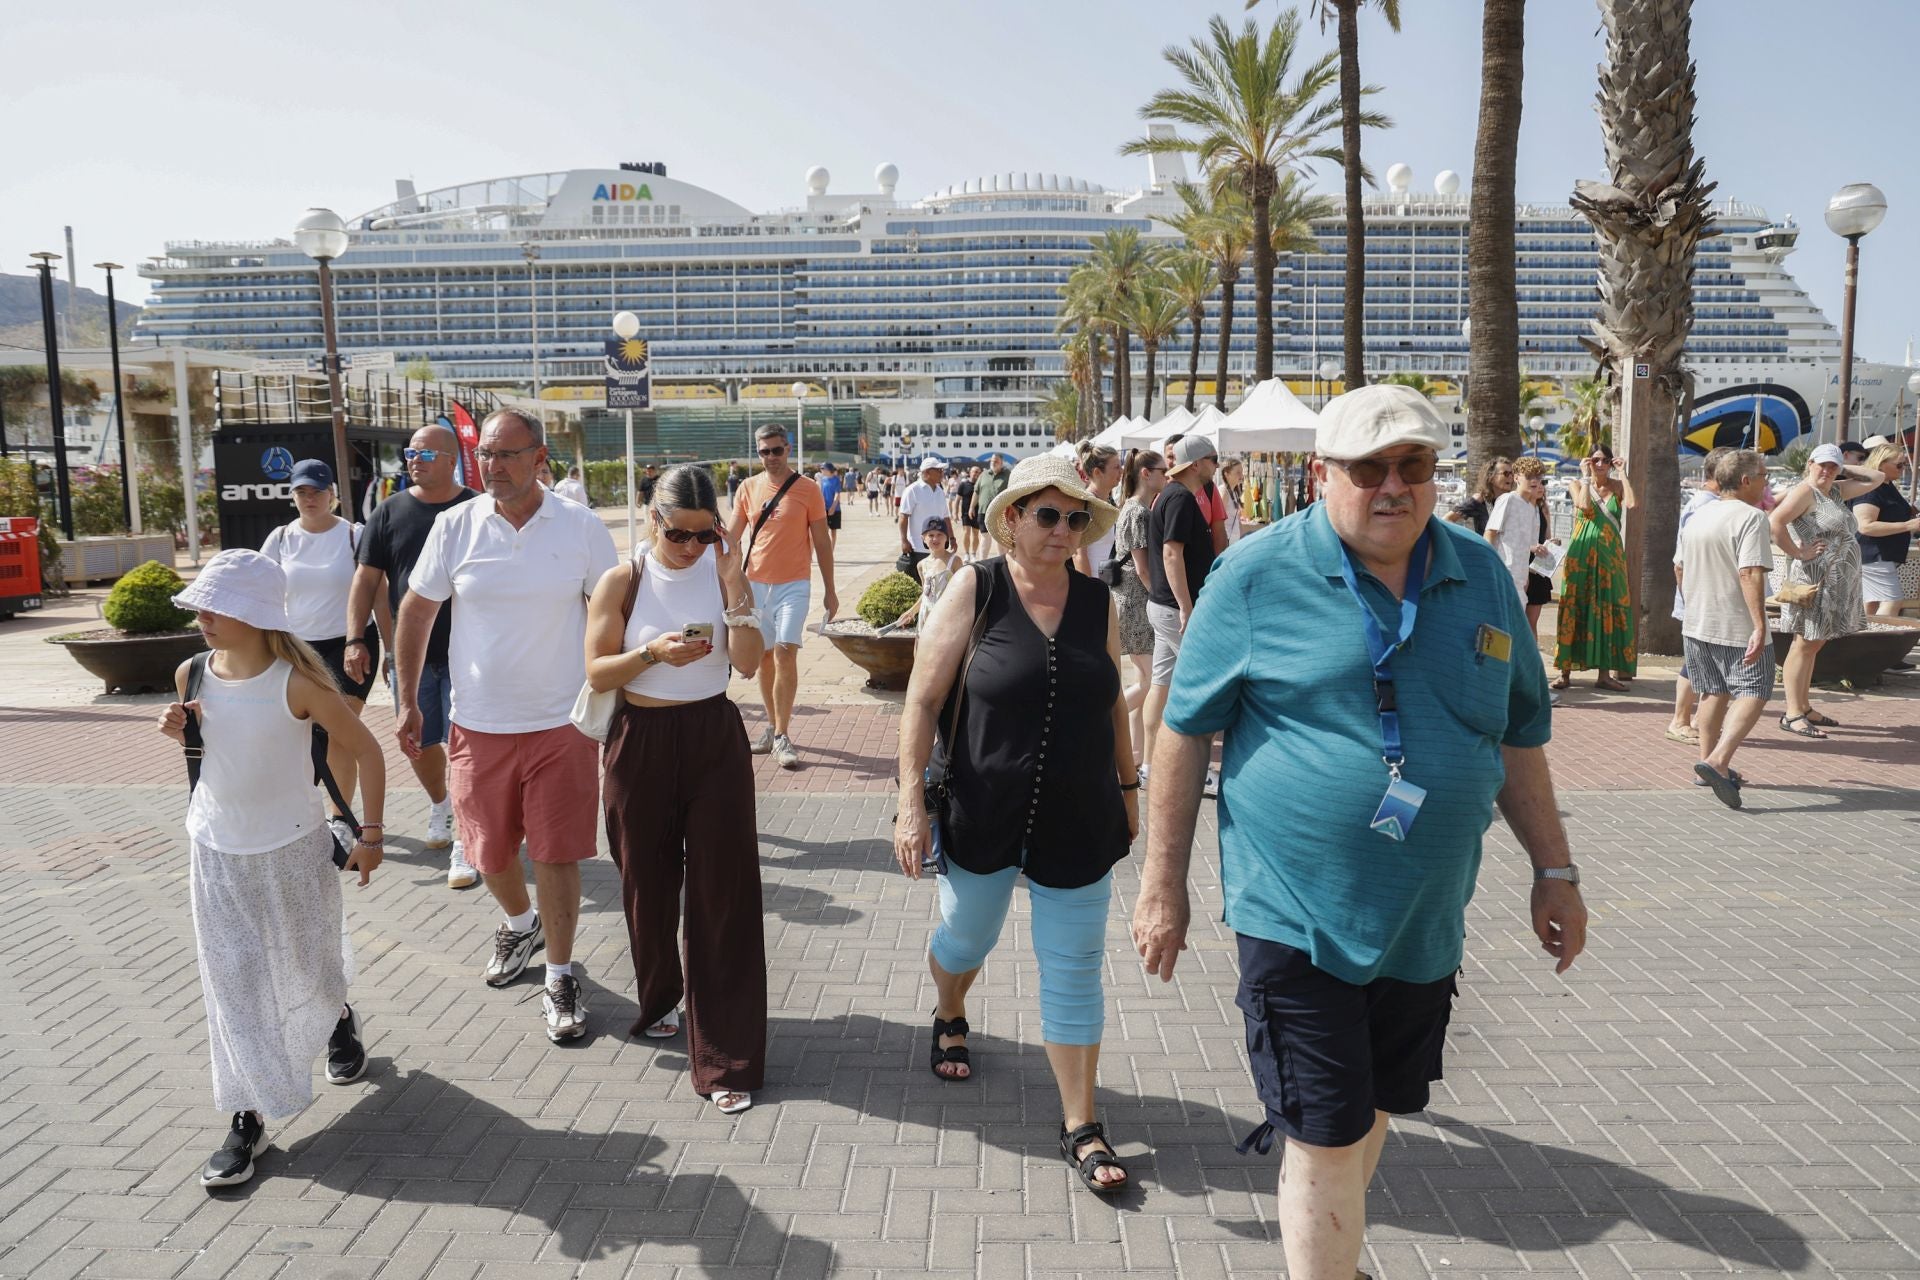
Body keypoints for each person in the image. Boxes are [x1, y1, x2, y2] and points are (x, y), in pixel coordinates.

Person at [1132, 383, 1585, 1280]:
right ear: (1320, 476)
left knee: (1369, 1109)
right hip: (1294, 911)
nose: (1391, 487)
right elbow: (1183, 730)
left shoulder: (1481, 572)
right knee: (1327, 1134)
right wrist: (1162, 885)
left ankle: (1330, 1245)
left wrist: (1555, 868)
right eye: (1366, 469)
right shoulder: (1256, 574)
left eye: (1411, 466)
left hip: (1423, 919)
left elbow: (1520, 733)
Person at [893, 454, 1137, 1195]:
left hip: (1079, 814)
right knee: (966, 937)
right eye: (1047, 516)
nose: (1063, 530)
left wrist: (1130, 791)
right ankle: (950, 1006)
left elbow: (1115, 707)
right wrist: (910, 800)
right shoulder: (977, 586)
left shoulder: (1099, 603)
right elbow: (922, 701)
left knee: (1072, 970)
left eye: (1074, 518)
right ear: (1011, 519)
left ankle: (1081, 1124)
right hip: (982, 808)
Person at [156, 549, 386, 1189]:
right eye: (200, 603)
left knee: (311, 967)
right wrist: (184, 734)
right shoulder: (190, 674)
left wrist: (370, 833)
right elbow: (211, 755)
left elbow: (367, 752)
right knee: (233, 982)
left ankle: (337, 1015)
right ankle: (244, 1116)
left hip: (292, 849)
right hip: (215, 850)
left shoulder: (299, 683)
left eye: (216, 606)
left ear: (255, 616)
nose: (201, 616)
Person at [395, 409, 618, 1041]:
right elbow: (417, 610)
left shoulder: (579, 528)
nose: (492, 467)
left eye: (507, 455)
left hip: (562, 723)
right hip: (477, 724)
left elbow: (611, 615)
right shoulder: (455, 527)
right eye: (485, 456)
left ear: (540, 458)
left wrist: (620, 696)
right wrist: (408, 698)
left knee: (555, 852)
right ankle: (522, 923)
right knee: (488, 854)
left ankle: (560, 972)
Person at [586, 465, 768, 1113]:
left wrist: (733, 580)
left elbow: (747, 664)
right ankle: (661, 997)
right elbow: (597, 670)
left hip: (714, 737)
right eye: (677, 535)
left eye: (702, 534)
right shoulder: (624, 578)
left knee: (724, 893)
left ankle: (725, 1054)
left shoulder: (721, 575)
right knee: (647, 883)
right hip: (639, 739)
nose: (689, 547)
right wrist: (652, 655)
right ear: (651, 519)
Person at [346, 425, 477, 887]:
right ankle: (441, 803)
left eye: (423, 453)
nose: (413, 460)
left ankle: (466, 836)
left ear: (450, 459)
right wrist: (354, 638)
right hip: (412, 655)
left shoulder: (476, 509)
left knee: (467, 747)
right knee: (417, 741)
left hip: (471, 653)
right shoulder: (390, 511)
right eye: (409, 453)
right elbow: (366, 580)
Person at [256, 459, 377, 843]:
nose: (310, 498)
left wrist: (387, 651)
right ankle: (303, 814)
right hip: (298, 649)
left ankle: (341, 819)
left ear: (333, 496)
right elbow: (259, 592)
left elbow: (379, 594)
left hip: (351, 644)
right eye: (302, 491)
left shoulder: (354, 536)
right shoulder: (279, 539)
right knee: (304, 733)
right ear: (292, 495)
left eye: (318, 491)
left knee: (341, 732)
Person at [725, 423, 838, 771]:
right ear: (757, 453)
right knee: (765, 659)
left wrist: (831, 591)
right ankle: (773, 726)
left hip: (794, 584)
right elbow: (731, 539)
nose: (771, 457)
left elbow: (821, 541)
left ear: (788, 449)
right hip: (756, 585)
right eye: (764, 451)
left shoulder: (808, 489)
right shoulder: (747, 487)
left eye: (776, 450)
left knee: (787, 651)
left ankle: (783, 735)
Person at [1674, 449, 1775, 808]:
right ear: (1746, 480)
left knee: (1713, 691)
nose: (1768, 482)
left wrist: (1694, 601)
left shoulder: (1699, 515)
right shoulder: (1752, 517)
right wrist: (1760, 624)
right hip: (1734, 622)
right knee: (1756, 688)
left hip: (1697, 620)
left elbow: (1679, 567)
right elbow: (1750, 572)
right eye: (1763, 475)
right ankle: (1718, 760)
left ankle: (1707, 762)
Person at [1771, 443, 1878, 738]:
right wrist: (1798, 551)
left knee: (1815, 644)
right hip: (1814, 579)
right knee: (1804, 644)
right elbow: (1775, 522)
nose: (1827, 470)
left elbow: (1877, 477)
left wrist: (1841, 469)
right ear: (1810, 463)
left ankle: (1803, 706)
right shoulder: (1805, 491)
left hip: (1835, 582)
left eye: (1833, 466)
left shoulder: (1834, 490)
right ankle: (1792, 712)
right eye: (1822, 464)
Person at [1144, 435, 1220, 795]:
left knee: (1161, 685)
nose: (1216, 465)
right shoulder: (1180, 498)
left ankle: (1148, 764)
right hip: (1175, 609)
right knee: (1201, 685)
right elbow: (1172, 554)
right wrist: (1188, 609)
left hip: (1165, 606)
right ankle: (1195, 770)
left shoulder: (1172, 495)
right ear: (1196, 464)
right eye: (1213, 459)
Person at [1554, 445, 1636, 691]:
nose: (1600, 464)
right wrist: (1586, 477)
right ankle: (1565, 672)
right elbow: (1584, 507)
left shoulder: (1619, 487)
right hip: (1581, 556)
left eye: (1605, 460)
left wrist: (1622, 473)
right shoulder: (1577, 484)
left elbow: (1632, 504)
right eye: (1596, 459)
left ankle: (1604, 674)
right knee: (1576, 605)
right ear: (1589, 461)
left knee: (1607, 609)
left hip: (1610, 558)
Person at [1666, 448, 1732, 745]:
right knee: (1694, 662)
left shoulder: (1713, 504)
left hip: (1705, 597)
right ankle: (1680, 720)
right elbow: (1682, 561)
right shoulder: (1703, 506)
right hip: (1698, 598)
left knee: (1702, 662)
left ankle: (1695, 719)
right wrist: (1690, 598)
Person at [1112, 449, 1165, 769]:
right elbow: (1143, 568)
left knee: (1144, 680)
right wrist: (1159, 599)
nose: (1166, 475)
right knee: (1147, 680)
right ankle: (1103, 724)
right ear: (1145, 473)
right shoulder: (1139, 512)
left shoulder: (1132, 508)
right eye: (1161, 470)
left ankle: (1135, 757)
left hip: (1128, 599)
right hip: (1137, 602)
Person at [1484, 456, 1554, 636]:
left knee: (1513, 633)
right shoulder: (1508, 499)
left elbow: (1527, 545)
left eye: (1538, 477)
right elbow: (1490, 533)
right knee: (1500, 630)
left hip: (1520, 580)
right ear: (1516, 477)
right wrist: (1488, 568)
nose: (1534, 481)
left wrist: (1526, 578)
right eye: (1529, 476)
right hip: (1503, 574)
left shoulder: (1532, 508)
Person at [1849, 441, 1918, 618]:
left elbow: (1892, 511)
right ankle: (1880, 641)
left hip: (1877, 555)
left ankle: (1864, 641)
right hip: (1873, 555)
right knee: (1892, 600)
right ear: (1881, 463)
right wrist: (1909, 525)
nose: (1903, 468)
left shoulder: (1886, 485)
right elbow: (1865, 525)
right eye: (1899, 464)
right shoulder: (1871, 489)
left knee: (1871, 603)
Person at [889, 517, 961, 630]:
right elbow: (926, 594)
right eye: (931, 535)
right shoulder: (922, 565)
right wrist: (911, 612)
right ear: (923, 538)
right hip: (926, 617)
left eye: (940, 534)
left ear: (946, 538)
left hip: (946, 616)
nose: (935, 539)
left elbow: (962, 592)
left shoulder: (955, 561)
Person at [1073, 444, 1123, 578]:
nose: (1121, 471)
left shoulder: (1108, 501)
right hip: (1092, 585)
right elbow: (1078, 554)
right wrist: (1090, 591)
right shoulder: (1085, 505)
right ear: (1097, 472)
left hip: (1105, 583)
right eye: (1116, 467)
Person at [898, 456, 951, 574]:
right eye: (938, 470)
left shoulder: (940, 491)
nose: (941, 473)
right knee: (919, 583)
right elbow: (903, 516)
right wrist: (904, 540)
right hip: (917, 547)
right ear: (927, 472)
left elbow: (946, 517)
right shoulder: (912, 490)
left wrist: (951, 538)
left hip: (938, 547)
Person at [1446, 456, 1514, 534]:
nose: (1511, 477)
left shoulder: (1512, 500)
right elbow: (1447, 519)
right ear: (1491, 477)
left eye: (1512, 473)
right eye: (1506, 473)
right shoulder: (1480, 500)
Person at [971, 454, 1008, 535]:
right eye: (992, 461)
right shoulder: (983, 474)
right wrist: (971, 507)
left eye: (996, 461)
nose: (993, 463)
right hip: (983, 512)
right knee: (984, 538)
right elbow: (976, 492)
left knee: (1001, 540)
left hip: (1000, 512)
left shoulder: (1008, 474)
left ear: (1001, 463)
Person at [1218, 456, 1247, 545]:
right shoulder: (1224, 492)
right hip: (1226, 542)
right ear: (1227, 474)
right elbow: (1218, 521)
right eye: (1238, 472)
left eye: (1241, 472)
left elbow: (1237, 520)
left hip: (1234, 541)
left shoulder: (1235, 492)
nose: (1241, 475)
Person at [954, 466, 980, 559]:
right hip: (965, 513)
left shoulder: (980, 485)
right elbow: (957, 500)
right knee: (966, 533)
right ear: (970, 473)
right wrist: (955, 512)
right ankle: (966, 553)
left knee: (976, 534)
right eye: (974, 472)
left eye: (977, 472)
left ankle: (973, 554)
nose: (975, 474)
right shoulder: (963, 484)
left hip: (977, 513)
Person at [817, 461, 844, 547]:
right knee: (824, 531)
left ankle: (831, 551)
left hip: (835, 509)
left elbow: (837, 495)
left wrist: (833, 507)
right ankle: (826, 550)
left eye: (823, 468)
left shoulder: (836, 479)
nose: (821, 470)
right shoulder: (823, 479)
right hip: (824, 508)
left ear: (828, 469)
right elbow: (821, 494)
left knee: (833, 532)